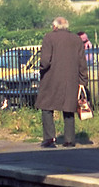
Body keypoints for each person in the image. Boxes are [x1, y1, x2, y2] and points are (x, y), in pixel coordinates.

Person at [35, 16, 88, 148]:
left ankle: (49, 138)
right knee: (69, 108)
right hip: (71, 79)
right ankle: (69, 140)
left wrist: (41, 69)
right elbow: (82, 62)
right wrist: (83, 81)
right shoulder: (76, 39)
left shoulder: (49, 37)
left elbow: (45, 61)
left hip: (51, 78)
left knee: (46, 107)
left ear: (55, 26)